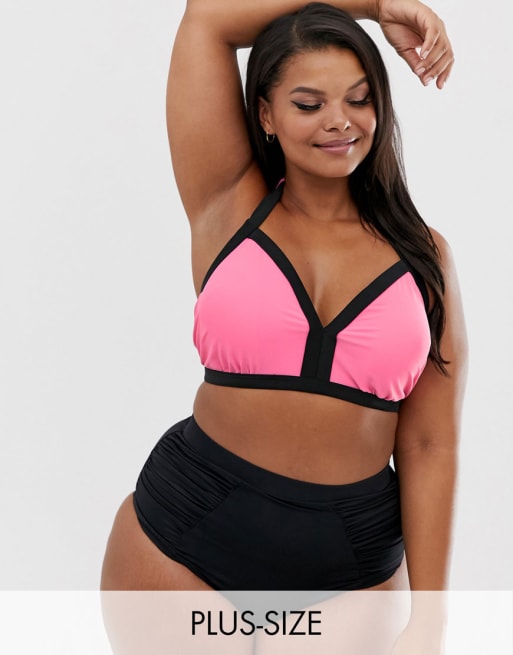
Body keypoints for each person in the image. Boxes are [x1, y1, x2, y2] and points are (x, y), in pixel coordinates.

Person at [101, 0, 466, 652]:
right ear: (265, 114)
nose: (339, 120)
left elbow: (428, 444)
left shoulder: (423, 257)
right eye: (308, 103)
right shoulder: (227, 204)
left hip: (346, 570)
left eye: (358, 98)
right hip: (185, 539)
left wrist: (431, 618)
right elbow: (207, 17)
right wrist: (374, 6)